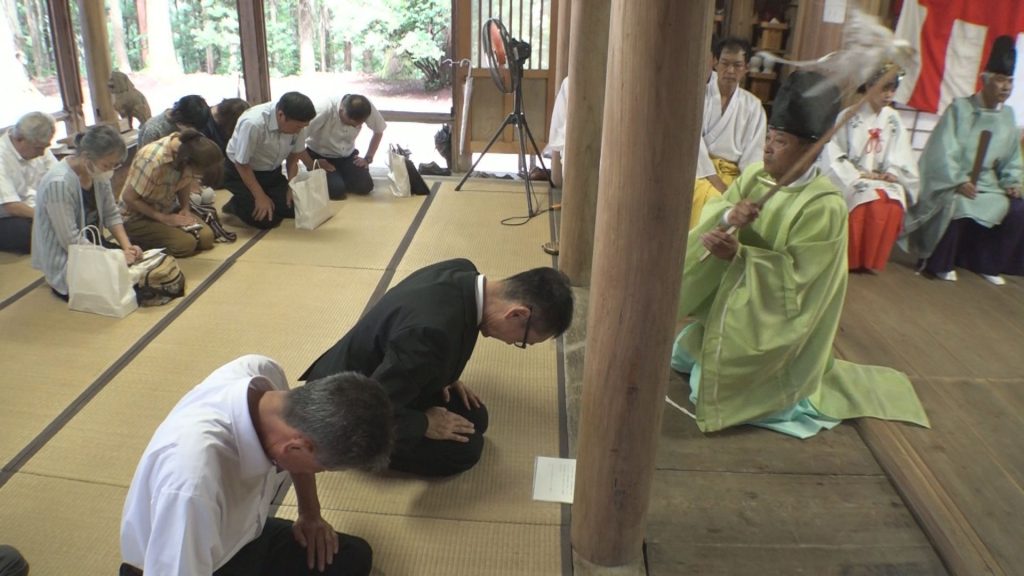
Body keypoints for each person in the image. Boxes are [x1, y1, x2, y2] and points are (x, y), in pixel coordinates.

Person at [671, 70, 929, 438]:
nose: (768, 148)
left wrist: (741, 257)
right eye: (769, 138)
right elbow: (716, 218)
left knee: (705, 387)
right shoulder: (755, 177)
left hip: (780, 328)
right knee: (685, 353)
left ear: (810, 150)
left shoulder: (824, 206)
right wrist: (729, 217)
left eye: (781, 141)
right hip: (739, 307)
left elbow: (801, 285)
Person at [120, 354, 393, 576]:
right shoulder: (192, 482)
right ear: (295, 448)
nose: (313, 473)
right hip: (184, 562)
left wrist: (310, 513)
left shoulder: (263, 375)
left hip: (242, 535)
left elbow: (303, 434)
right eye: (318, 468)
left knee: (352, 557)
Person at [301, 259, 574, 477]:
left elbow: (420, 344)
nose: (513, 342)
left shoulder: (463, 271)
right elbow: (374, 408)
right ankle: (356, 454)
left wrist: (444, 373)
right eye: (523, 341)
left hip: (376, 370)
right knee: (466, 451)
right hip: (344, 409)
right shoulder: (431, 334)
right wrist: (425, 423)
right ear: (516, 314)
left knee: (474, 416)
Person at [903, 35, 1024, 285]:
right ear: (984, 79)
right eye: (1000, 80)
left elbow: (1011, 159)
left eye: (1010, 82)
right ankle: (938, 264)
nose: (1006, 87)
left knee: (1017, 209)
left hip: (989, 186)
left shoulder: (1008, 116)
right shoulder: (960, 109)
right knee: (957, 204)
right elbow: (942, 152)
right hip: (957, 183)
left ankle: (986, 263)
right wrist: (958, 180)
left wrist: (1013, 181)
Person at [823, 64, 919, 271]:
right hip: (854, 176)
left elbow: (902, 153)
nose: (888, 95)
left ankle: (871, 260)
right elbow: (833, 152)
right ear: (868, 86)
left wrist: (893, 173)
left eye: (892, 89)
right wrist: (856, 173)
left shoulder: (893, 119)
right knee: (868, 199)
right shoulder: (848, 116)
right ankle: (850, 259)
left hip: (882, 179)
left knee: (892, 200)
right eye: (884, 88)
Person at [32, 124, 142, 300]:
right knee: (130, 291)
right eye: (107, 165)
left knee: (142, 275)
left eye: (114, 165)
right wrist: (114, 257)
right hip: (68, 259)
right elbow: (70, 240)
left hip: (94, 245)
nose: (110, 170)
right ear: (86, 157)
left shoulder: (97, 173)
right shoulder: (59, 183)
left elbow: (111, 214)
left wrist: (126, 246)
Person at [690, 36, 767, 229]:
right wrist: (716, 182)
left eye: (737, 65)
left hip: (733, 179)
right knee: (710, 203)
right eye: (725, 63)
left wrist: (743, 190)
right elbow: (693, 143)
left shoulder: (753, 106)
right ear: (715, 62)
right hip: (699, 174)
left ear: (746, 67)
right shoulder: (698, 97)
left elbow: (754, 157)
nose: (730, 71)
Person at [120, 130, 223, 257]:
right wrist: (164, 219)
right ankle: (139, 242)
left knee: (206, 238)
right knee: (185, 245)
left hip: (168, 208)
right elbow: (129, 198)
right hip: (137, 217)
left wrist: (185, 208)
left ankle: (166, 233)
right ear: (186, 162)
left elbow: (185, 182)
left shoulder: (188, 152)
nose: (196, 176)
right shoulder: (152, 159)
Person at [223, 92, 316, 228]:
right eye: (297, 127)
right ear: (281, 115)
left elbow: (293, 157)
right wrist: (259, 196)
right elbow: (242, 163)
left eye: (303, 127)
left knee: (296, 209)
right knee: (267, 220)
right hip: (241, 173)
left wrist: (291, 186)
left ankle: (263, 197)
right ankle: (236, 203)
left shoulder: (298, 124)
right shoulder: (253, 123)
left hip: (271, 172)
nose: (299, 131)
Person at [301, 94, 386, 199]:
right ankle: (330, 178)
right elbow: (297, 140)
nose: (355, 126)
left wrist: (368, 158)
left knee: (366, 186)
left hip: (347, 155)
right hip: (320, 155)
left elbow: (379, 131)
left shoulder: (365, 106)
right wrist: (311, 163)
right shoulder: (323, 109)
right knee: (336, 191)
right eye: (351, 123)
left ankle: (338, 176)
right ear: (341, 110)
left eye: (359, 124)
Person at [0, 112, 57, 253]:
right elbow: (11, 206)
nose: (43, 153)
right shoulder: (2, 156)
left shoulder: (39, 145)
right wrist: (48, 217)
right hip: (11, 216)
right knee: (25, 233)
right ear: (20, 139)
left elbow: (58, 178)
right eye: (38, 148)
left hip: (36, 209)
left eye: (45, 147)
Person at [138, 95, 214, 148]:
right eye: (192, 128)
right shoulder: (153, 130)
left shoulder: (194, 118)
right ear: (180, 122)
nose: (196, 132)